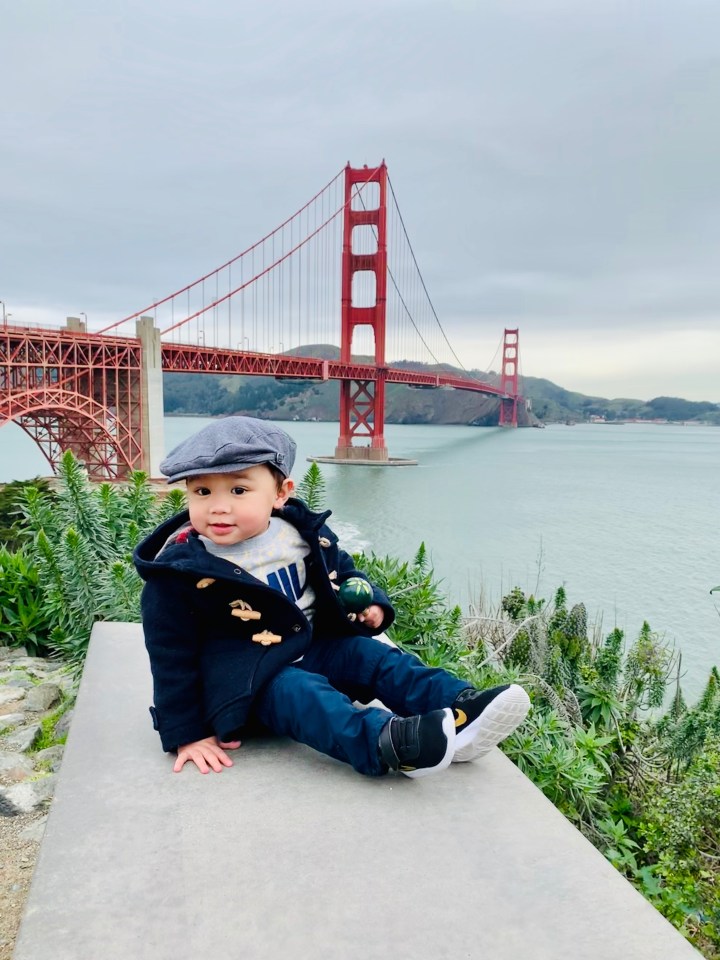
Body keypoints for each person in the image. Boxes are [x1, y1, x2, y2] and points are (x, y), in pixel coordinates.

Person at [134, 416, 530, 779]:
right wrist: (186, 733)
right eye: (202, 491)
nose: (218, 507)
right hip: (248, 683)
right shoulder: (180, 571)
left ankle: (460, 708)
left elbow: (343, 571)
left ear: (281, 493)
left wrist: (372, 604)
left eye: (239, 489)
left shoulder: (299, 533)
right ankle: (390, 744)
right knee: (305, 696)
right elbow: (169, 655)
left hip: (313, 646)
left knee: (373, 657)